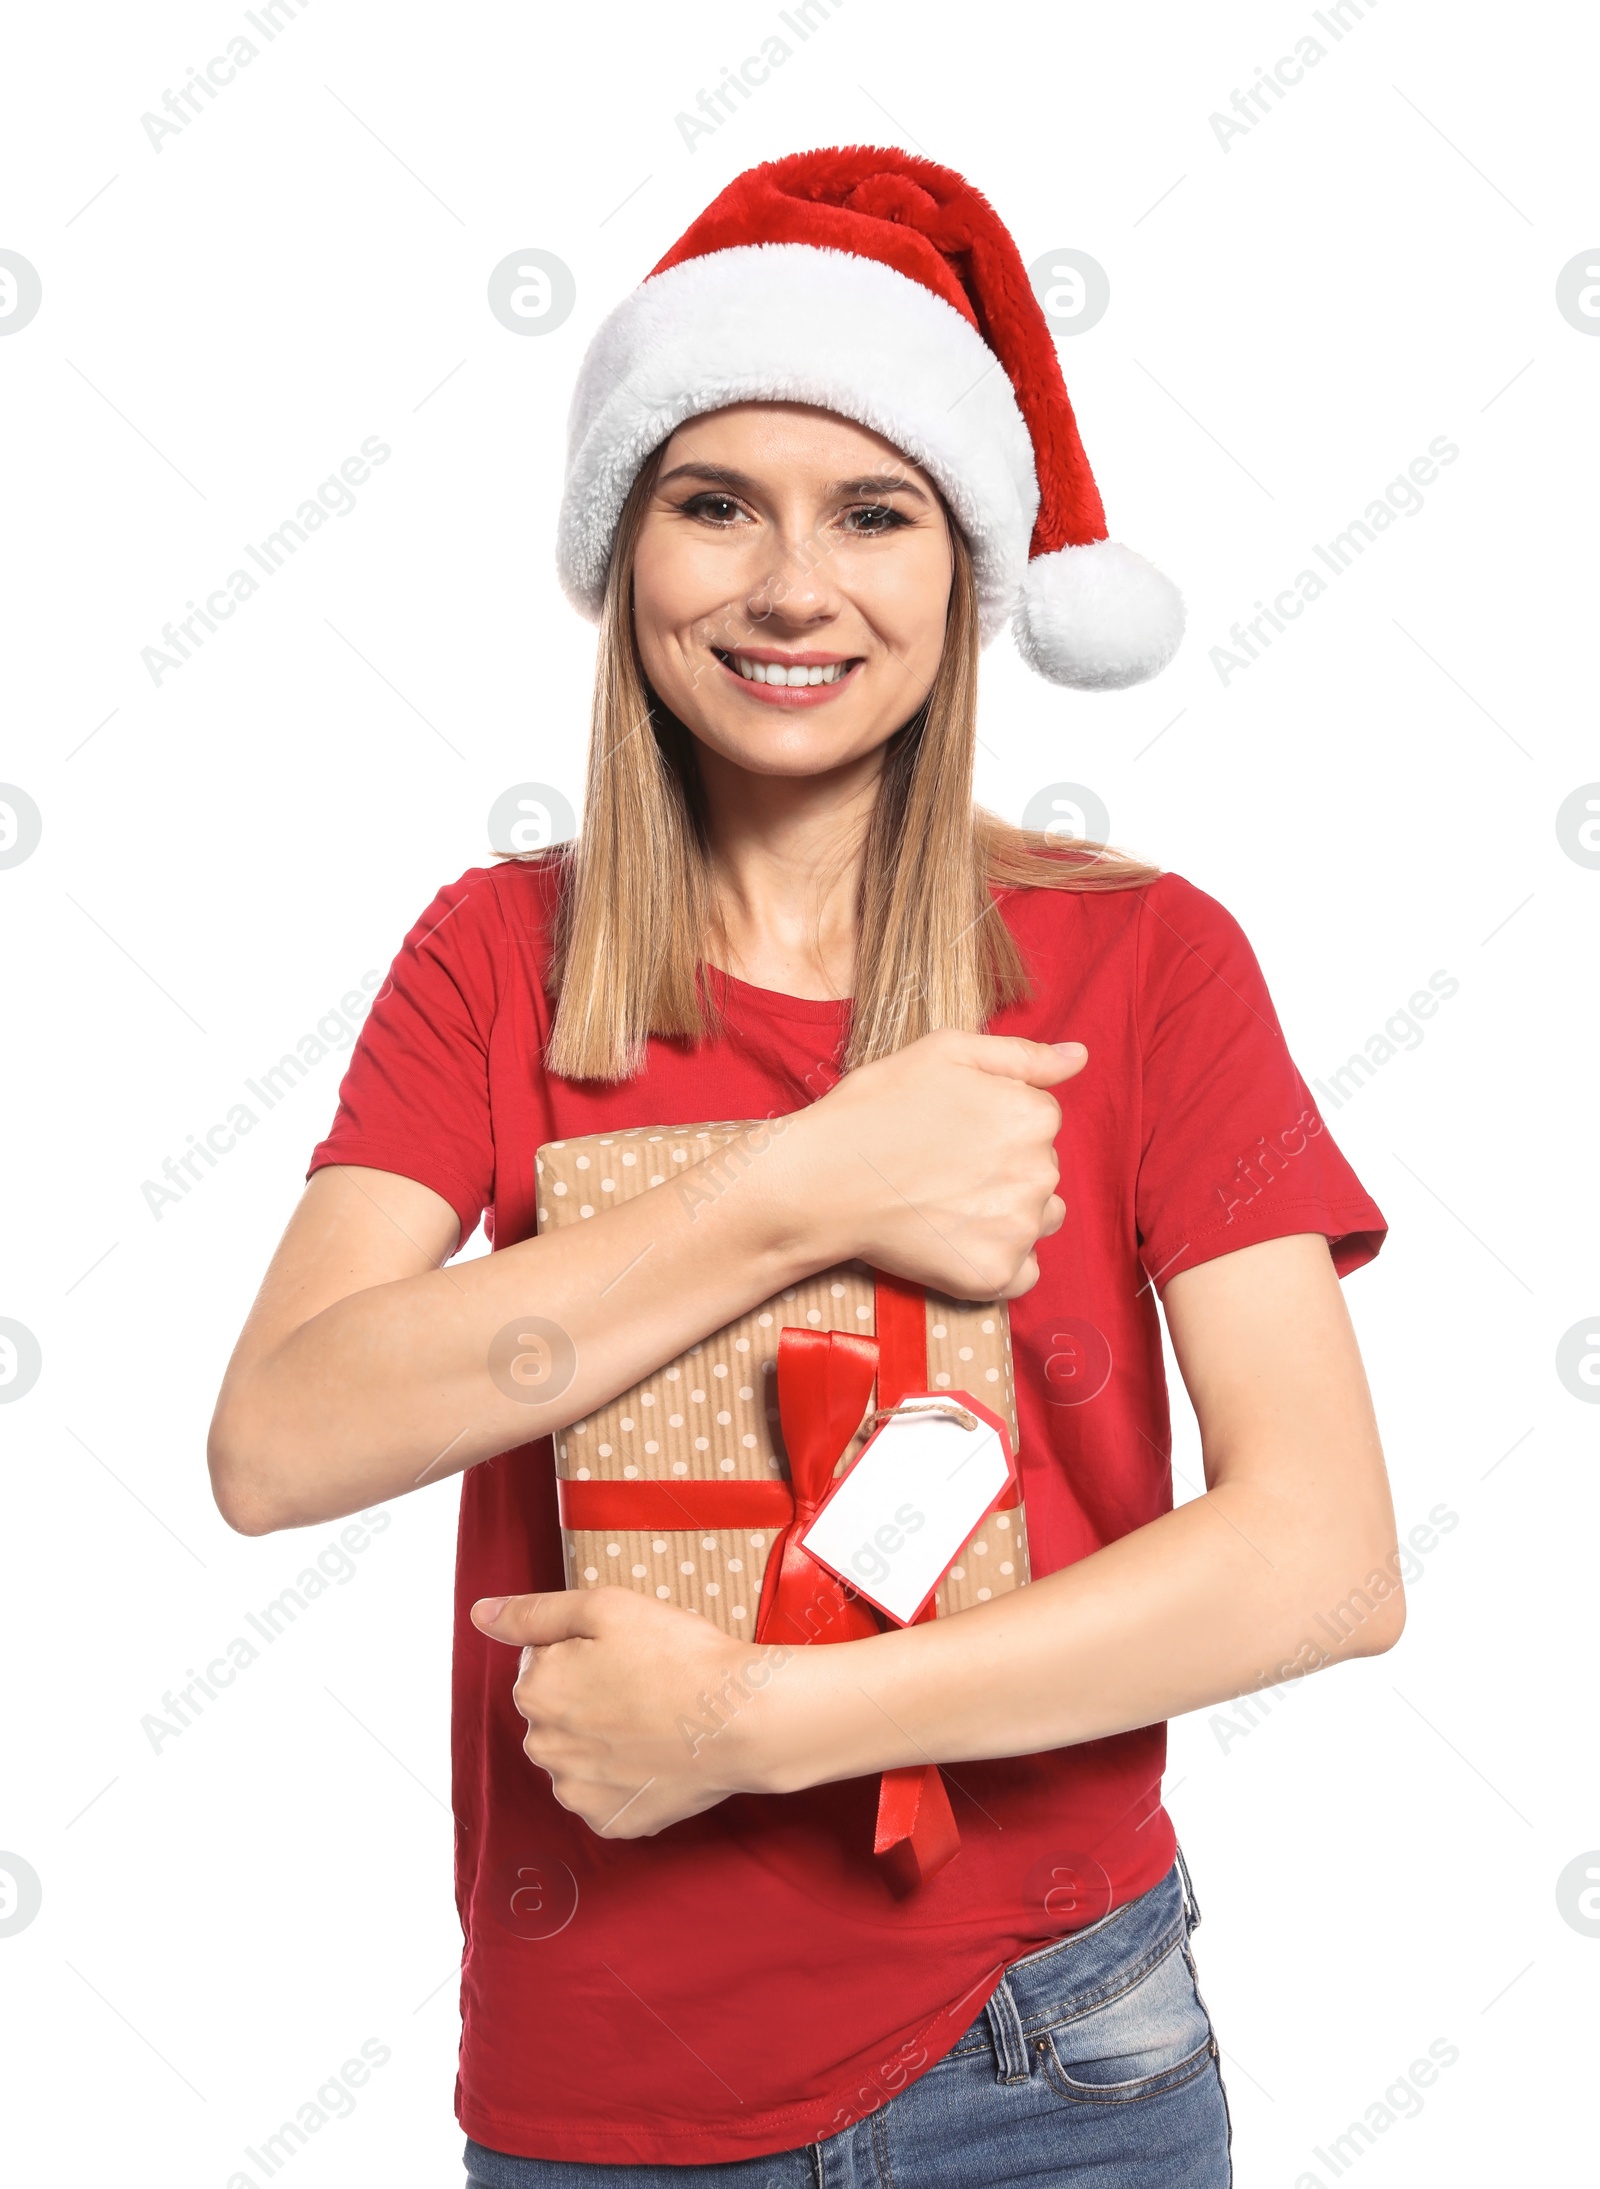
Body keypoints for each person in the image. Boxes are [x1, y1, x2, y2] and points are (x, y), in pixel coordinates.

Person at [208, 149, 1402, 2188]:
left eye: (873, 513)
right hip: (612, 2075)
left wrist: (757, 1726)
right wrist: (801, 1186)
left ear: (968, 573)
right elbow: (280, 1446)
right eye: (712, 505)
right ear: (623, 553)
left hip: (1056, 2054)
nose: (790, 586)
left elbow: (1319, 1558)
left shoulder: (1143, 960)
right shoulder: (499, 958)